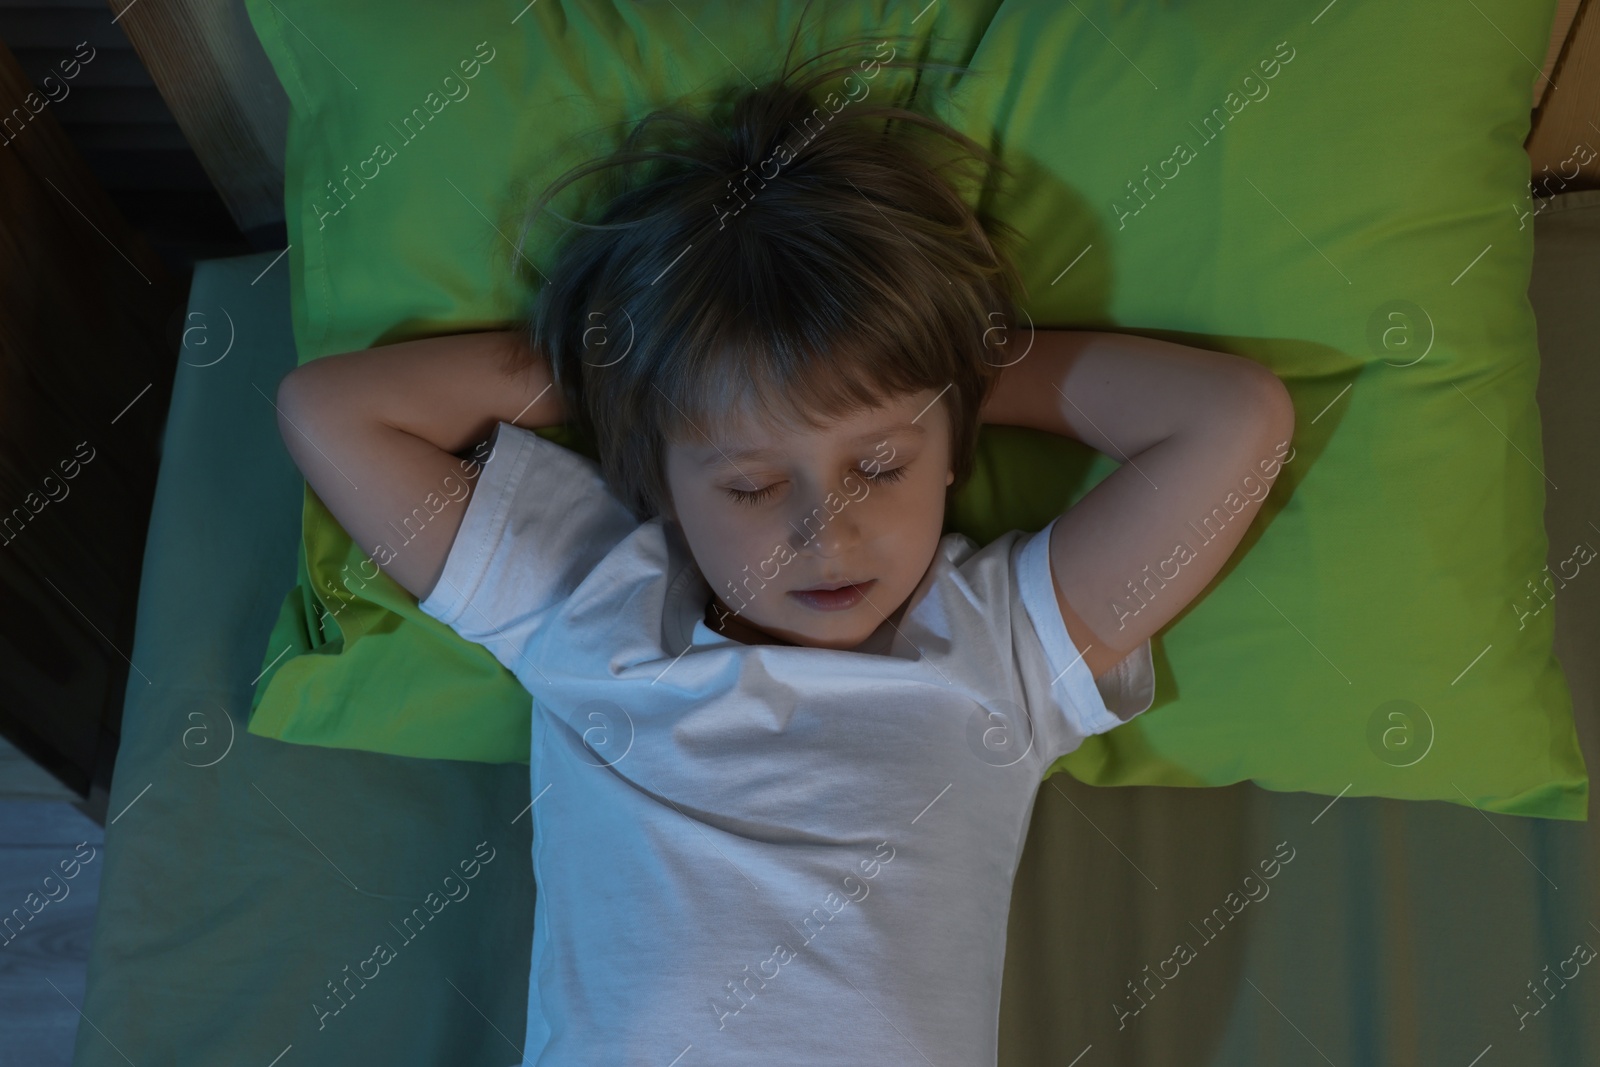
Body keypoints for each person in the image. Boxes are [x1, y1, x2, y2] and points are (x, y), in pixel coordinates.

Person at [273, 19, 1295, 1066]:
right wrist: (638, 372)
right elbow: (333, 413)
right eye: (753, 482)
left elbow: (1232, 421)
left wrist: (931, 363)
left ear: (951, 445)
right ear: (661, 480)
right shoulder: (587, 603)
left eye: (883, 463)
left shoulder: (1001, 651)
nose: (826, 528)